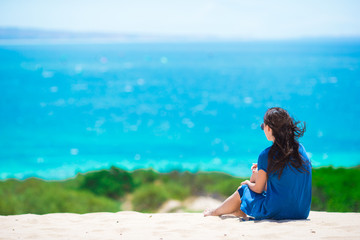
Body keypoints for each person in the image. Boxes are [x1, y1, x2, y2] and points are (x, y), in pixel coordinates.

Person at [203, 107, 312, 220]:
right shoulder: (300, 150)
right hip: (301, 212)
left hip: (276, 212)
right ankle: (236, 210)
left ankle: (215, 212)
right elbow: (285, 183)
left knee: (243, 189)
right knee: (256, 184)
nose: (263, 128)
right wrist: (262, 170)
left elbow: (258, 189)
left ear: (269, 128)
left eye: (263, 126)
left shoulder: (266, 155)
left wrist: (248, 183)